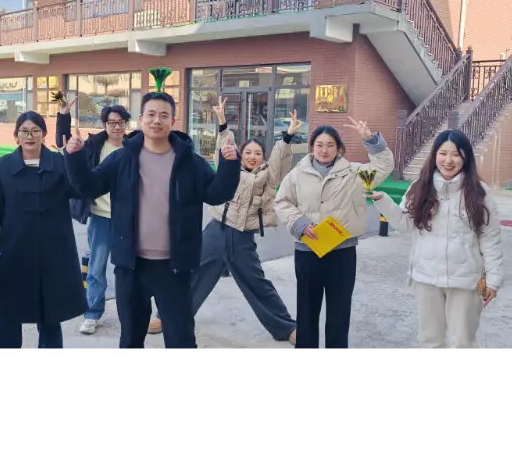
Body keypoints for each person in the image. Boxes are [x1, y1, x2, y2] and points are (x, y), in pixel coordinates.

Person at [63, 87, 241, 353]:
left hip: (175, 266)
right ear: (141, 118)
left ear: (172, 120)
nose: (157, 120)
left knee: (181, 338)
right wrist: (75, 158)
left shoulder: (188, 161)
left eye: (164, 115)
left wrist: (229, 166)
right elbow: (89, 186)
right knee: (131, 339)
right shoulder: (122, 158)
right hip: (131, 266)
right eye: (151, 114)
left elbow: (216, 194)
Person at [149, 96, 300, 344]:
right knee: (192, 274)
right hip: (216, 230)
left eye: (257, 153)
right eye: (248, 152)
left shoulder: (269, 176)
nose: (252, 156)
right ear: (240, 155)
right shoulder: (231, 169)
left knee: (257, 283)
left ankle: (286, 327)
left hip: (242, 237)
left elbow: (280, 158)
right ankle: (167, 316)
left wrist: (288, 136)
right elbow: (224, 147)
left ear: (263, 158)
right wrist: (221, 122)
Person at [369, 129, 503, 355]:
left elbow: (490, 238)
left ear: (466, 158)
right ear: (435, 156)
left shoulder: (480, 194)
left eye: (456, 154)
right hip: (426, 277)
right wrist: (384, 203)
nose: (448, 161)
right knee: (430, 341)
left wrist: (494, 279)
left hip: (466, 280)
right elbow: (405, 224)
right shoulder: (418, 189)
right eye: (443, 153)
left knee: (462, 343)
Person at [274, 117, 394, 352]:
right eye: (319, 145)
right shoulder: (298, 174)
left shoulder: (355, 174)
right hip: (307, 251)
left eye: (330, 145)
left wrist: (370, 139)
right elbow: (282, 201)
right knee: (307, 310)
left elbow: (383, 167)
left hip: (342, 253)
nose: (324, 150)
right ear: (312, 148)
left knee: (339, 311)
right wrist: (299, 223)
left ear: (339, 148)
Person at [0, 111, 87, 352]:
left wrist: (76, 157)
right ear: (16, 136)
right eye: (24, 131)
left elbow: (80, 189)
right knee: (6, 315)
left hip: (53, 254)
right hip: (14, 253)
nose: (30, 136)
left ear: (43, 134)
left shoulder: (59, 163)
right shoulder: (3, 167)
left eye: (35, 130)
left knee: (49, 316)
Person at [55, 98, 135, 335]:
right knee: (96, 268)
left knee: (131, 270)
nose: (116, 127)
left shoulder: (134, 147)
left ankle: (132, 313)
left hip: (128, 220)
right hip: (100, 217)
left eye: (120, 122)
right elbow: (66, 145)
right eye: (111, 123)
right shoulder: (94, 145)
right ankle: (92, 314)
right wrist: (63, 116)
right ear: (105, 124)